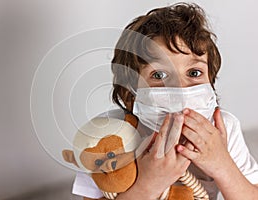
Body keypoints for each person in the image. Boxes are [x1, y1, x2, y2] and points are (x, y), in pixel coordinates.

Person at [72, 2, 258, 200]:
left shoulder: (223, 130)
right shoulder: (105, 136)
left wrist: (223, 166)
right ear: (129, 94)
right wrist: (149, 184)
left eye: (194, 73)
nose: (180, 88)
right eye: (159, 75)